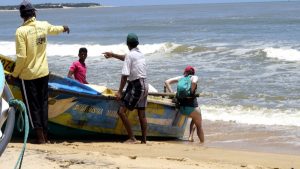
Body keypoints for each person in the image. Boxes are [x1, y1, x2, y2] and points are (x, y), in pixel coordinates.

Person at [11, 1, 70, 144]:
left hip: (28, 75)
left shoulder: (21, 32)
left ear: (22, 16)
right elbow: (55, 29)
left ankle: (40, 138)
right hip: (43, 73)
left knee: (33, 106)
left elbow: (22, 57)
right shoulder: (43, 25)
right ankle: (46, 136)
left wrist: (14, 75)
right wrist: (64, 28)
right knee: (43, 104)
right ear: (34, 13)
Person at [103, 33, 148, 144]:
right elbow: (126, 57)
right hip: (145, 85)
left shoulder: (130, 55)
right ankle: (144, 140)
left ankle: (132, 138)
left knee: (121, 111)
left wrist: (119, 92)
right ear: (137, 43)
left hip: (136, 86)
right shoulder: (140, 54)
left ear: (127, 44)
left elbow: (124, 76)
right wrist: (113, 55)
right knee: (141, 113)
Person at [164, 66, 204, 143]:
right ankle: (202, 142)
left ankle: (190, 136)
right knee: (199, 126)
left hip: (182, 109)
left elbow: (167, 82)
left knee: (194, 118)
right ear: (193, 72)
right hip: (192, 108)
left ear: (185, 72)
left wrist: (172, 93)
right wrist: (192, 92)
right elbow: (194, 82)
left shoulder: (180, 78)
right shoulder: (194, 77)